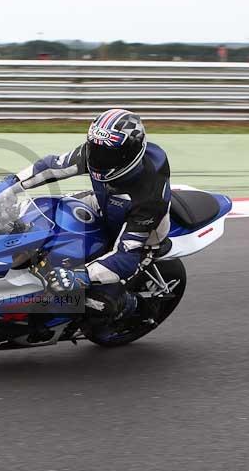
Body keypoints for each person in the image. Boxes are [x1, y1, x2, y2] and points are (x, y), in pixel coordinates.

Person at [15, 108, 171, 320]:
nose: (98, 157)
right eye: (95, 148)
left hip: (140, 236)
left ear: (130, 154)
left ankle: (132, 305)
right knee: (44, 212)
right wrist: (10, 183)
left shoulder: (149, 196)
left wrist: (79, 276)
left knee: (98, 302)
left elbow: (125, 257)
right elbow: (52, 167)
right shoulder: (96, 153)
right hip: (103, 202)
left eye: (107, 153)